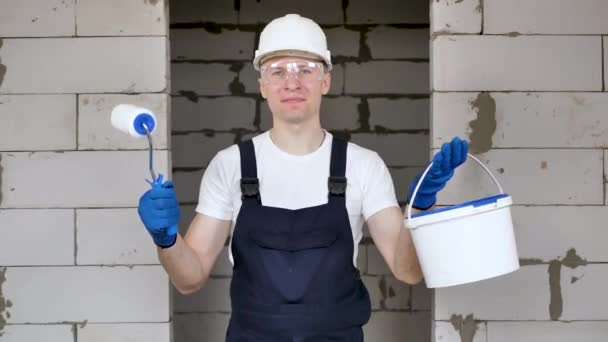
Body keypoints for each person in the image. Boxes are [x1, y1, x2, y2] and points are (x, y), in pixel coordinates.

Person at [137, 13, 468, 341]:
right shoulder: (230, 166)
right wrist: (166, 239)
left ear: (325, 80)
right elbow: (189, 279)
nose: (291, 83)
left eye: (305, 70)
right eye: (277, 71)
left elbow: (406, 270)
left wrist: (419, 211)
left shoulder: (363, 165)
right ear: (262, 85)